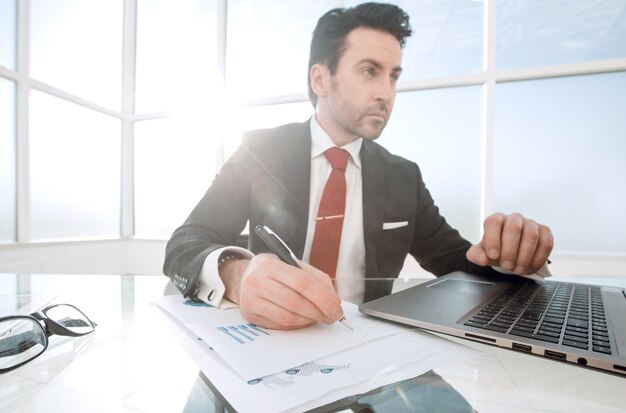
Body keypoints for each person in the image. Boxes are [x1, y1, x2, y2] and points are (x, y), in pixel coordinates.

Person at [163, 2, 553, 331]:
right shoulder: (259, 150)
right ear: (321, 79)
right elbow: (185, 245)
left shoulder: (404, 176)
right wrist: (238, 275)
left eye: (394, 76)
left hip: (368, 351)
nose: (386, 93)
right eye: (369, 71)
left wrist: (511, 258)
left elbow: (456, 263)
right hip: (267, 341)